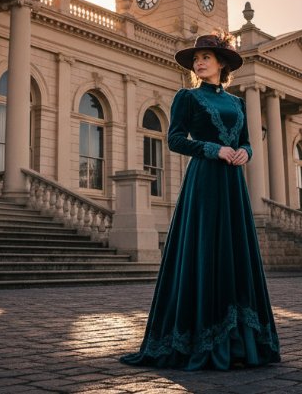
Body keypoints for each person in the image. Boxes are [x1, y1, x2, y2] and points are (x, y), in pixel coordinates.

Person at [120, 31, 281, 370]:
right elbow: (175, 140)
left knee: (235, 251)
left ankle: (240, 342)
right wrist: (213, 149)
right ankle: (200, 337)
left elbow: (249, 142)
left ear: (222, 63)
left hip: (233, 184)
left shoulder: (237, 103)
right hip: (205, 181)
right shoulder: (187, 97)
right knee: (205, 249)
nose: (199, 62)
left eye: (205, 57)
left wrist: (243, 153)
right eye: (196, 59)